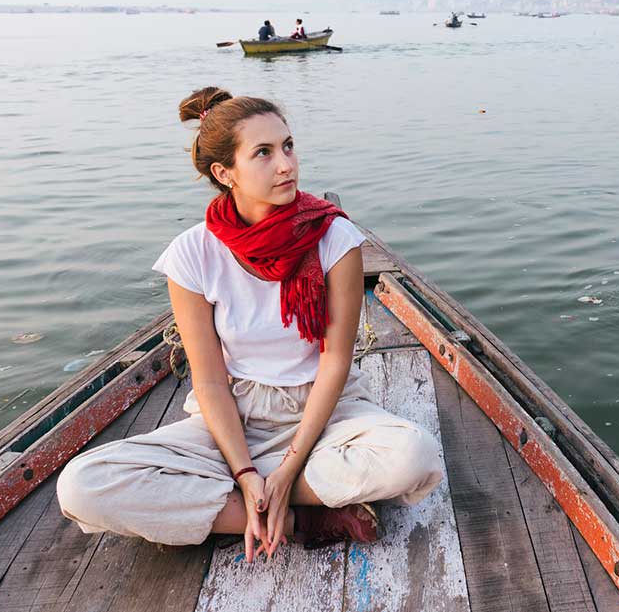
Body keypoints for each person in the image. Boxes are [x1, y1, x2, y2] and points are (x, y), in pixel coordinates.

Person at [57, 88, 444, 561]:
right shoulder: (192, 254)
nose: (286, 164)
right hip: (233, 416)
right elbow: (210, 380)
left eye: (287, 145)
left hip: (324, 411)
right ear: (225, 172)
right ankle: (304, 515)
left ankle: (267, 495)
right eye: (263, 152)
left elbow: (335, 360)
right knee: (82, 485)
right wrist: (246, 473)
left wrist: (286, 469)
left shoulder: (335, 238)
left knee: (414, 457)